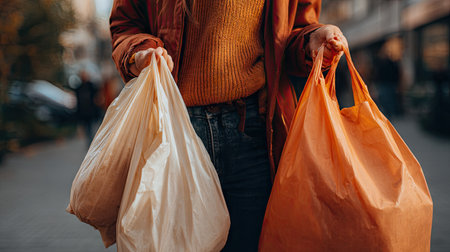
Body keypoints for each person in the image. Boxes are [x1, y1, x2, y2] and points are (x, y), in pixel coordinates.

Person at [110, 0, 347, 250]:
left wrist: (311, 40)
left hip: (254, 133)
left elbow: (293, 29)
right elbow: (126, 22)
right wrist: (142, 52)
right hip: (174, 134)